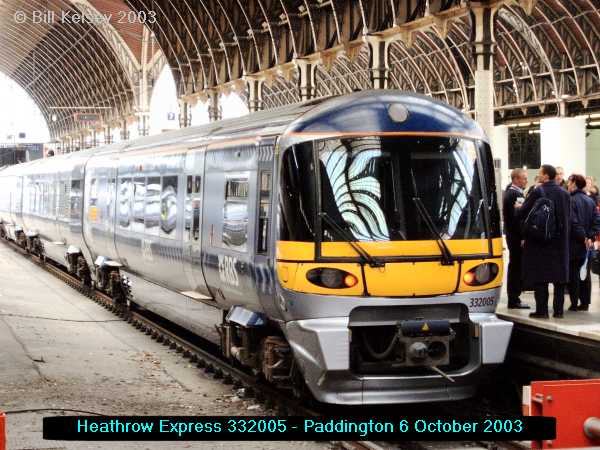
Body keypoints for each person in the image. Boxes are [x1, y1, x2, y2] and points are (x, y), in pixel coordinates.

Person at [516, 164, 571, 319]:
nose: (538, 176)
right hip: (560, 243)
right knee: (559, 279)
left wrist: (517, 208)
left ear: (546, 176)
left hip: (541, 242)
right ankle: (559, 311)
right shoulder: (565, 193)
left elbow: (523, 213)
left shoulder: (538, 191)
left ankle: (542, 311)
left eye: (540, 173)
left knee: (541, 278)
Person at [566, 174, 600, 311]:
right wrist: (590, 237)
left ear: (574, 183)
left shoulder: (570, 200)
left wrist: (583, 237)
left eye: (569, 182)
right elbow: (597, 221)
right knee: (585, 274)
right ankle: (585, 303)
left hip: (574, 243)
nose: (568, 185)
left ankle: (574, 303)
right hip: (587, 245)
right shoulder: (590, 201)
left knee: (573, 273)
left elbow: (573, 223)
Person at [503, 168, 529, 309]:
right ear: (516, 179)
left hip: (512, 236)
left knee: (515, 266)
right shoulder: (516, 195)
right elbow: (518, 218)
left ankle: (514, 298)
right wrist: (523, 236)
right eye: (524, 178)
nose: (526, 180)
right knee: (516, 267)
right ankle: (514, 299)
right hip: (516, 237)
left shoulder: (511, 192)